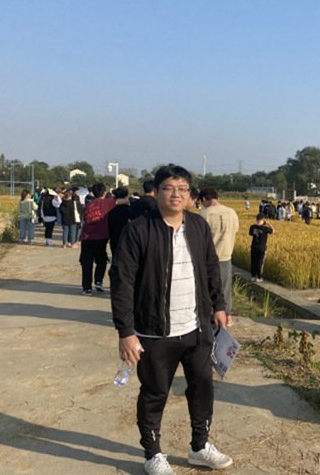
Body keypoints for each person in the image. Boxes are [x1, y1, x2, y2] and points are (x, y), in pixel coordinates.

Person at [110, 164, 232, 475]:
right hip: (154, 332)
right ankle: (152, 454)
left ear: (191, 195)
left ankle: (199, 446)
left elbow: (211, 268)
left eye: (182, 189)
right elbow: (122, 281)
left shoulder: (198, 225)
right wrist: (126, 331)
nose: (176, 194)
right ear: (157, 191)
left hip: (197, 328)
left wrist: (218, 306)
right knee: (154, 394)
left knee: (202, 388)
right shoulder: (139, 229)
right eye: (168, 188)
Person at [199, 187, 240, 326]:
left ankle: (213, 316)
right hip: (226, 256)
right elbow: (235, 230)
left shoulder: (204, 215)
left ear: (203, 199)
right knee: (226, 287)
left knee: (210, 288)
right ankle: (228, 316)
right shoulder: (232, 212)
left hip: (209, 259)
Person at [79, 183, 119, 296]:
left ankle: (87, 288)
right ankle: (98, 281)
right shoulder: (107, 203)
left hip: (86, 237)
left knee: (86, 263)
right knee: (101, 261)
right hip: (101, 237)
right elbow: (121, 201)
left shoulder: (88, 205)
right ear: (104, 193)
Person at [249, 213, 274, 282]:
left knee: (253, 261)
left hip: (254, 247)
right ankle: (259, 277)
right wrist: (268, 224)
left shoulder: (252, 227)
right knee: (260, 262)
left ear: (256, 219)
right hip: (262, 248)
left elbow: (251, 234)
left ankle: (253, 276)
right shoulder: (265, 228)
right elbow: (273, 231)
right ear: (263, 220)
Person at [108, 187, 131, 258]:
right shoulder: (130, 210)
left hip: (114, 238)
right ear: (126, 196)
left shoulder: (111, 211)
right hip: (127, 238)